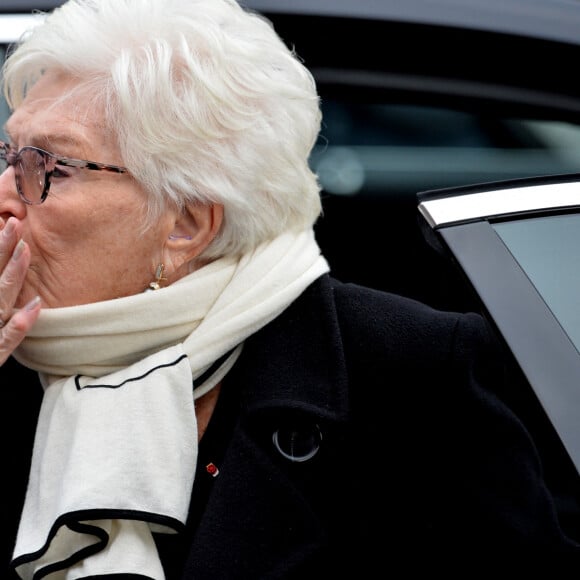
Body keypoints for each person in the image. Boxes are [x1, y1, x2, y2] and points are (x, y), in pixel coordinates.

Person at [0, 0, 578, 578]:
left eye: (46, 166)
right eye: (7, 156)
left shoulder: (408, 374)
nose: (5, 194)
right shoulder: (12, 361)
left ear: (185, 226)